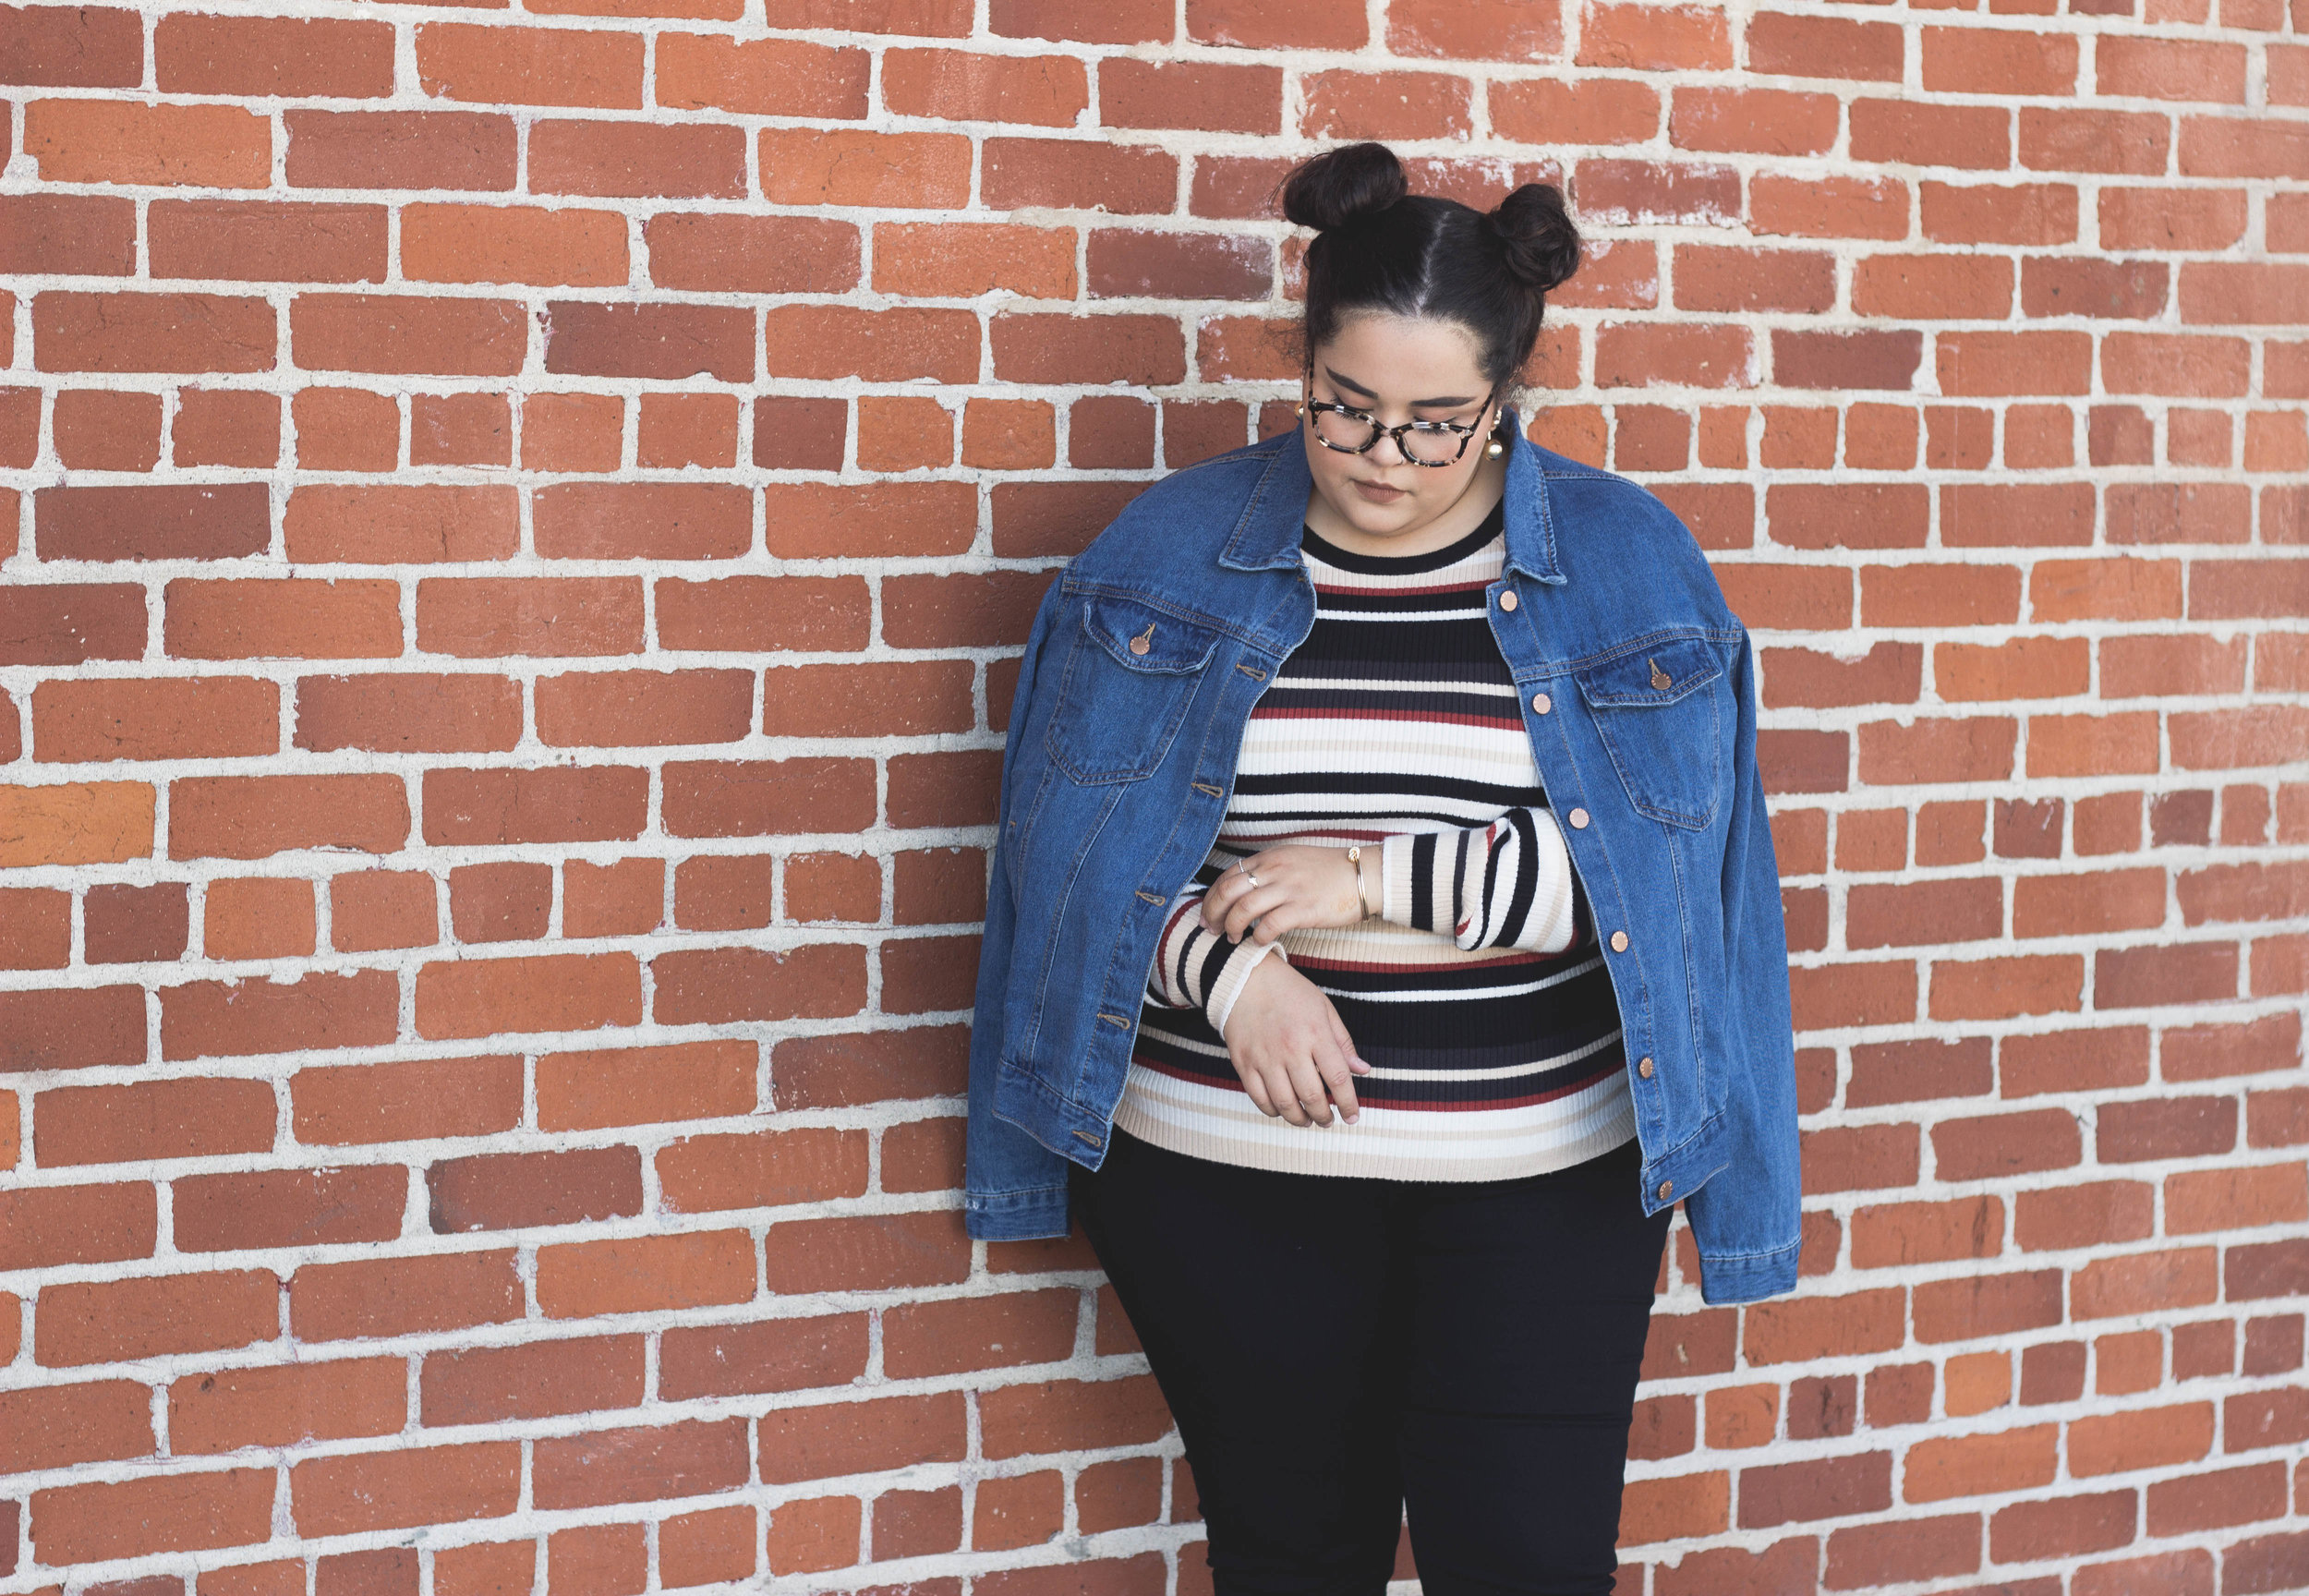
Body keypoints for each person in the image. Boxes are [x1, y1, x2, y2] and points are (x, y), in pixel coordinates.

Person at [962, 140, 1801, 1595]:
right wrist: (1231, 982)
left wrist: (1373, 877)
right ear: (1302, 366)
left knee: (1528, 1563)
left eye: (1435, 423)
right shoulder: (1157, 558)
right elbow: (1073, 863)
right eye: (1344, 411)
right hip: (1226, 1177)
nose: (1383, 462)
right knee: (1296, 1558)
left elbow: (1670, 881)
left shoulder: (1629, 569)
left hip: (1542, 1177)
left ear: (1505, 399)